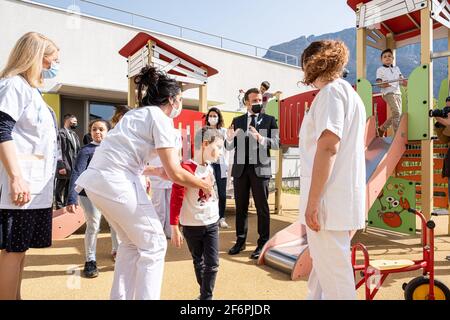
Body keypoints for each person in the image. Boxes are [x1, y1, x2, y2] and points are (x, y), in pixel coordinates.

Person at [74, 66, 214, 300]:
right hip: (117, 182)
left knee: (130, 244)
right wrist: (204, 185)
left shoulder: (134, 115)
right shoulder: (161, 119)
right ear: (171, 99)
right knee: (155, 244)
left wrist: (157, 171)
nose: (180, 104)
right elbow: (176, 172)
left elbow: (130, 158)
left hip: (96, 182)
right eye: (180, 99)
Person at [298, 40, 366, 300]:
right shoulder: (350, 94)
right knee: (324, 271)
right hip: (339, 200)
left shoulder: (330, 94)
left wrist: (313, 202)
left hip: (327, 202)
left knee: (335, 278)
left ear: (310, 64)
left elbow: (328, 147)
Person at [0, 32, 59, 300]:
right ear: (35, 58)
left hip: (35, 187)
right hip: (21, 185)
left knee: (20, 251)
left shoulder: (32, 91)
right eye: (50, 62)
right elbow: (2, 129)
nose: (52, 68)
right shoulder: (13, 85)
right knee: (12, 251)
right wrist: (16, 177)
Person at [170, 127, 223, 300]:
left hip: (212, 223)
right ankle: (205, 295)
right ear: (206, 144)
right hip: (192, 225)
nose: (221, 153)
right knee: (198, 261)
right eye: (219, 147)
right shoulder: (185, 168)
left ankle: (206, 297)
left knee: (213, 264)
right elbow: (176, 199)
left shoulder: (210, 168)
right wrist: (174, 227)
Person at [226, 88, 279, 260]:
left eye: (260, 100)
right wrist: (228, 138)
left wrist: (261, 138)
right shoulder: (237, 120)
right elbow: (229, 147)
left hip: (261, 168)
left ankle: (263, 243)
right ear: (246, 103)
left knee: (262, 208)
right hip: (241, 169)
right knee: (240, 207)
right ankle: (240, 241)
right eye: (254, 100)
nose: (258, 103)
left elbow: (277, 143)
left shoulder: (270, 120)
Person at [67, 119, 120, 278]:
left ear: (108, 131)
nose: (97, 132)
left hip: (110, 195)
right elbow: (77, 173)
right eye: (94, 129)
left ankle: (118, 253)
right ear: (90, 133)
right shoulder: (86, 151)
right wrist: (72, 197)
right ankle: (90, 260)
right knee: (93, 225)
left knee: (115, 224)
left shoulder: (114, 149)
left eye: (101, 129)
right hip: (88, 195)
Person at [148, 127, 182, 239]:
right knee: (158, 205)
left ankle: (170, 231)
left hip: (172, 169)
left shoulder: (176, 132)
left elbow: (178, 151)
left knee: (170, 203)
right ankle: (158, 232)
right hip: (157, 170)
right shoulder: (153, 130)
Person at [205, 107, 230, 229]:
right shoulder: (204, 131)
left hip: (221, 164)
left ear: (219, 117)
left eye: (215, 116)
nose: (212, 118)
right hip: (208, 164)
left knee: (222, 193)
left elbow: (229, 146)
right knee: (209, 190)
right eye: (210, 116)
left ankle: (221, 218)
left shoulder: (224, 131)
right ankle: (210, 217)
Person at [376, 48, 407, 137]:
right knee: (397, 113)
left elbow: (401, 80)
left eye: (389, 56)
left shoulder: (397, 68)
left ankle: (382, 128)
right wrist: (383, 84)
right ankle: (397, 134)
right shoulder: (380, 69)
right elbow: (379, 82)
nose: (387, 58)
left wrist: (404, 82)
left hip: (397, 93)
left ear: (393, 58)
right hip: (388, 93)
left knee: (397, 114)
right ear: (381, 60)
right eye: (385, 57)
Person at [55, 114, 80, 209]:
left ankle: (66, 206)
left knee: (69, 188)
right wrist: (61, 166)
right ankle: (58, 206)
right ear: (68, 121)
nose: (76, 123)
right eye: (74, 121)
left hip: (73, 167)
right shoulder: (60, 133)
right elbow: (58, 150)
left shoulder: (74, 135)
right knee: (60, 187)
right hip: (64, 165)